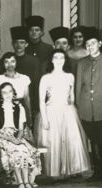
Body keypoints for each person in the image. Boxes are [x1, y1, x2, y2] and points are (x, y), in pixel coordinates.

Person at [34, 49, 92, 180]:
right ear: (52, 60)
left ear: (65, 60)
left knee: (71, 139)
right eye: (56, 57)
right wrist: (44, 118)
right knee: (53, 141)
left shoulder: (70, 77)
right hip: (51, 111)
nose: (59, 60)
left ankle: (72, 169)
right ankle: (55, 171)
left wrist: (70, 104)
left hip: (68, 111)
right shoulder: (46, 78)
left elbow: (72, 97)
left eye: (62, 57)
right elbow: (41, 101)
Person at [75, 28, 102, 184]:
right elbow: (78, 87)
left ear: (99, 43)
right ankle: (98, 172)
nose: (90, 46)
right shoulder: (82, 63)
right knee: (93, 141)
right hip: (87, 108)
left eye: (93, 43)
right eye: (88, 43)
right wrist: (79, 109)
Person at [0, 82, 42, 188]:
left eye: (9, 91)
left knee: (22, 148)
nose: (7, 94)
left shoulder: (19, 108)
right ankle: (20, 181)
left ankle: (26, 181)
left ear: (13, 92)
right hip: (2, 136)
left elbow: (21, 128)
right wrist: (8, 138)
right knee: (16, 150)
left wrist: (18, 138)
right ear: (0, 95)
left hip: (15, 135)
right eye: (4, 92)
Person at [18, 15, 54, 115]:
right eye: (31, 30)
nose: (34, 32)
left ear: (42, 32)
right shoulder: (23, 48)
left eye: (37, 30)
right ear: (28, 32)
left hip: (42, 85)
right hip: (26, 86)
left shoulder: (48, 48)